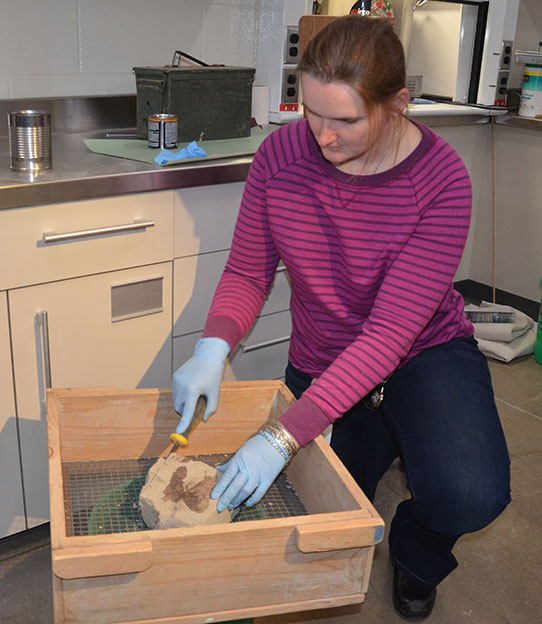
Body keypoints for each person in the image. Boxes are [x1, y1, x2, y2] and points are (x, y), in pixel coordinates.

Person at [172, 15, 511, 620]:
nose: (322, 137)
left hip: (420, 354)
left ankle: (416, 552)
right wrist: (213, 347)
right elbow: (249, 272)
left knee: (468, 494)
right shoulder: (281, 155)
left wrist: (281, 435)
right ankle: (376, 449)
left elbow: (387, 334)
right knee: (308, 509)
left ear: (398, 104)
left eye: (347, 120)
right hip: (324, 354)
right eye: (311, 113)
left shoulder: (441, 182)